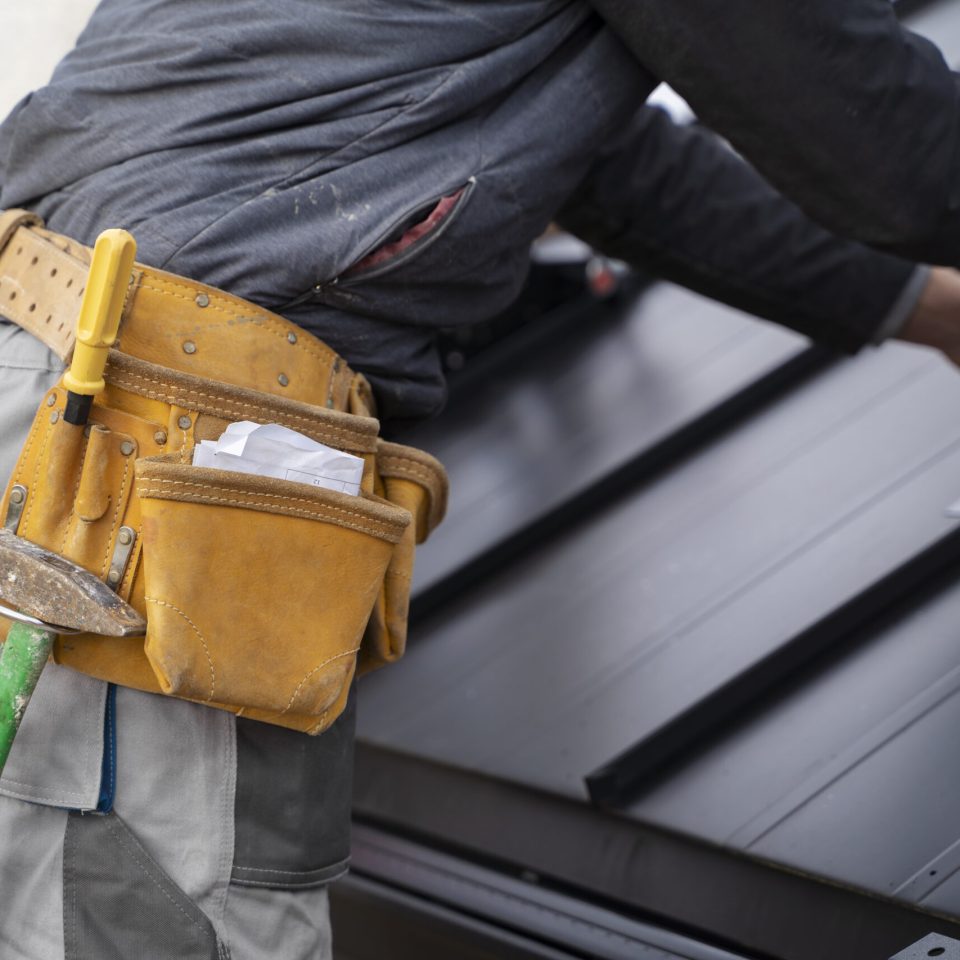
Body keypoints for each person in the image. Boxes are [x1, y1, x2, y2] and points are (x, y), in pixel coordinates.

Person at [2, 1, 960, 957]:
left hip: (59, 391)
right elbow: (865, 118)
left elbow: (618, 168)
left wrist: (927, 308)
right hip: (140, 446)